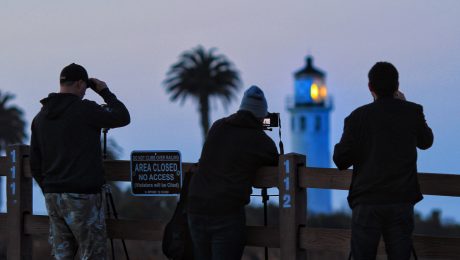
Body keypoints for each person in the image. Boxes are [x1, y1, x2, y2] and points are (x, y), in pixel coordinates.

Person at [333, 62, 434, 259]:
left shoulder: (357, 118)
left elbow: (340, 159)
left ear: (370, 87)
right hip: (401, 200)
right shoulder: (412, 112)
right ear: (397, 86)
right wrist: (405, 104)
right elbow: (426, 141)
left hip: (367, 201)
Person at [30, 63, 130, 259]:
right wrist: (104, 92)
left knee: (62, 255)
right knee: (92, 253)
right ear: (79, 84)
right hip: (83, 196)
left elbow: (35, 163)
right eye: (85, 87)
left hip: (53, 196)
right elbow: (122, 117)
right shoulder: (85, 110)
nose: (85, 92)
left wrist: (49, 188)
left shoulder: (40, 117)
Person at [187, 85, 279, 260]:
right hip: (226, 212)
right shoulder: (260, 140)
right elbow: (276, 163)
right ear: (262, 116)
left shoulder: (218, 126)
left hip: (196, 206)